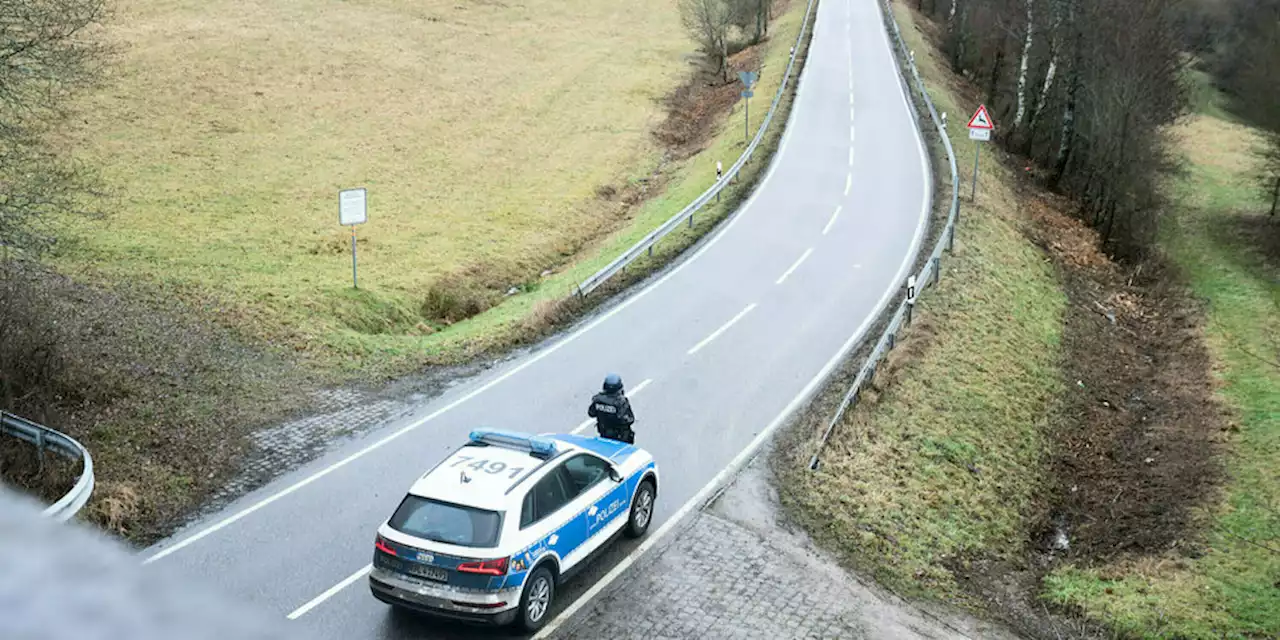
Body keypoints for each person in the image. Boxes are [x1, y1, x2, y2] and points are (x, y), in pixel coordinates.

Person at [587, 373, 635, 444]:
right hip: (621, 438)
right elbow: (630, 419)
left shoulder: (598, 400)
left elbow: (591, 413)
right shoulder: (621, 402)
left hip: (604, 435)